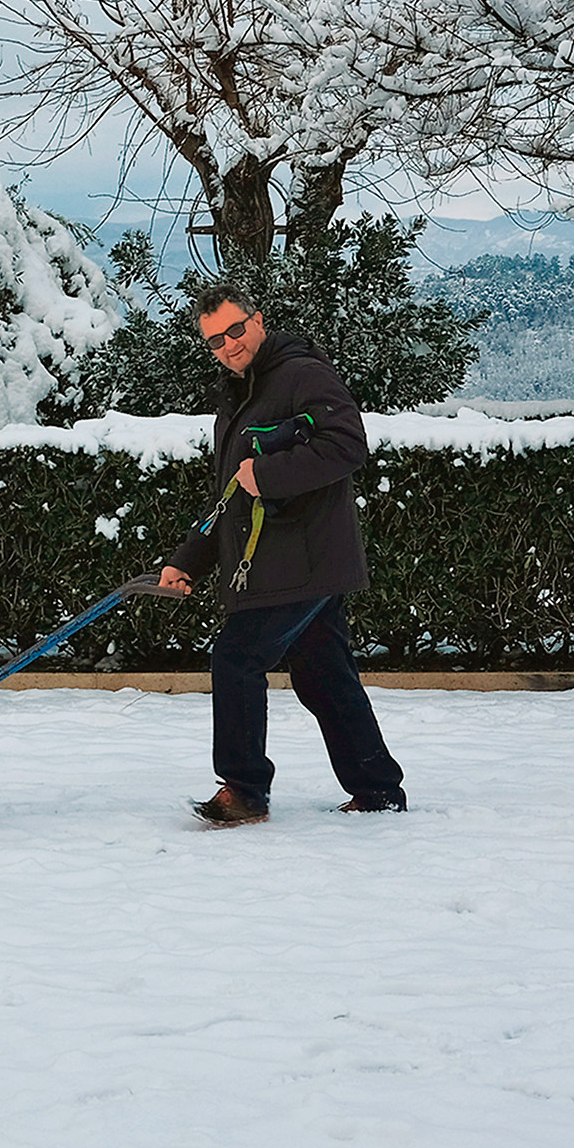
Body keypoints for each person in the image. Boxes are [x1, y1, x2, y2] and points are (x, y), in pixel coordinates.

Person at [158, 284, 409, 825]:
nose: (228, 345)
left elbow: (347, 445)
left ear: (258, 320)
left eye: (235, 330)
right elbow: (229, 494)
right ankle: (378, 789)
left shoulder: (301, 374)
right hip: (288, 564)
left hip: (301, 561)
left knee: (236, 658)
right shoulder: (238, 393)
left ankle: (245, 790)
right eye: (215, 340)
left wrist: (268, 474)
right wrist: (188, 559)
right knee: (325, 676)